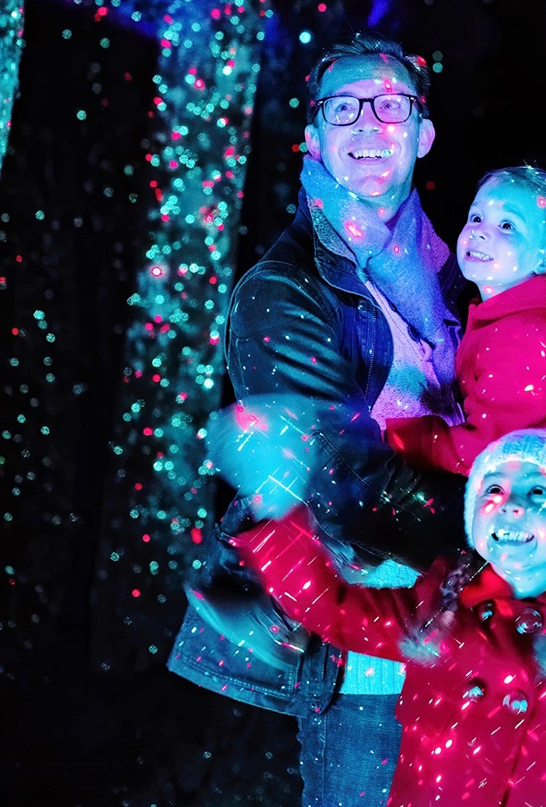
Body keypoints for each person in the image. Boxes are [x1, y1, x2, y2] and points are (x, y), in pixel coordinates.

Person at [168, 33, 469, 806]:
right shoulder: (281, 288)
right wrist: (498, 520)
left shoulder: (466, 276)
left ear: (423, 133)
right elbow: (345, 485)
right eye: (344, 107)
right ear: (314, 137)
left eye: (391, 104)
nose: (369, 123)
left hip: (483, 643)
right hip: (373, 661)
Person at [230, 430, 546, 807]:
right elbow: (332, 609)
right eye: (493, 490)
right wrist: (271, 509)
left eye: (538, 492)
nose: (510, 506)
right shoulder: (438, 609)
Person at [386, 166, 546, 475]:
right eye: (477, 217)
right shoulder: (506, 318)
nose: (479, 231)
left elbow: (486, 450)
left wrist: (409, 439)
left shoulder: (528, 337)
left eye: (508, 225)